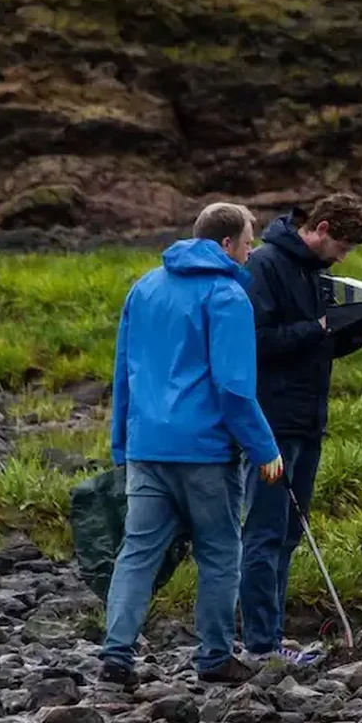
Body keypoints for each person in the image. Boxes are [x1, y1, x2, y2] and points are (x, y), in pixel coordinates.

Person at [103, 202, 285, 688]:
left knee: (137, 553)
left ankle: (116, 657)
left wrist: (121, 444)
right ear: (226, 244)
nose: (252, 252)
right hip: (204, 452)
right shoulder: (227, 296)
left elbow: (124, 373)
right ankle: (214, 657)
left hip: (147, 447)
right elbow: (234, 388)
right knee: (221, 552)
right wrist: (266, 449)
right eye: (249, 243)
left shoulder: (144, 287)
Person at [239, 194, 362, 666]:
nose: (344, 256)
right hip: (271, 421)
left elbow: (312, 346)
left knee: (288, 534)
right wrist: (321, 327)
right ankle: (260, 643)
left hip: (308, 421)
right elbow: (256, 343)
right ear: (319, 228)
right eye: (342, 245)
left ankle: (271, 633)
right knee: (263, 531)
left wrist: (353, 334)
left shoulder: (315, 273)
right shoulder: (265, 265)